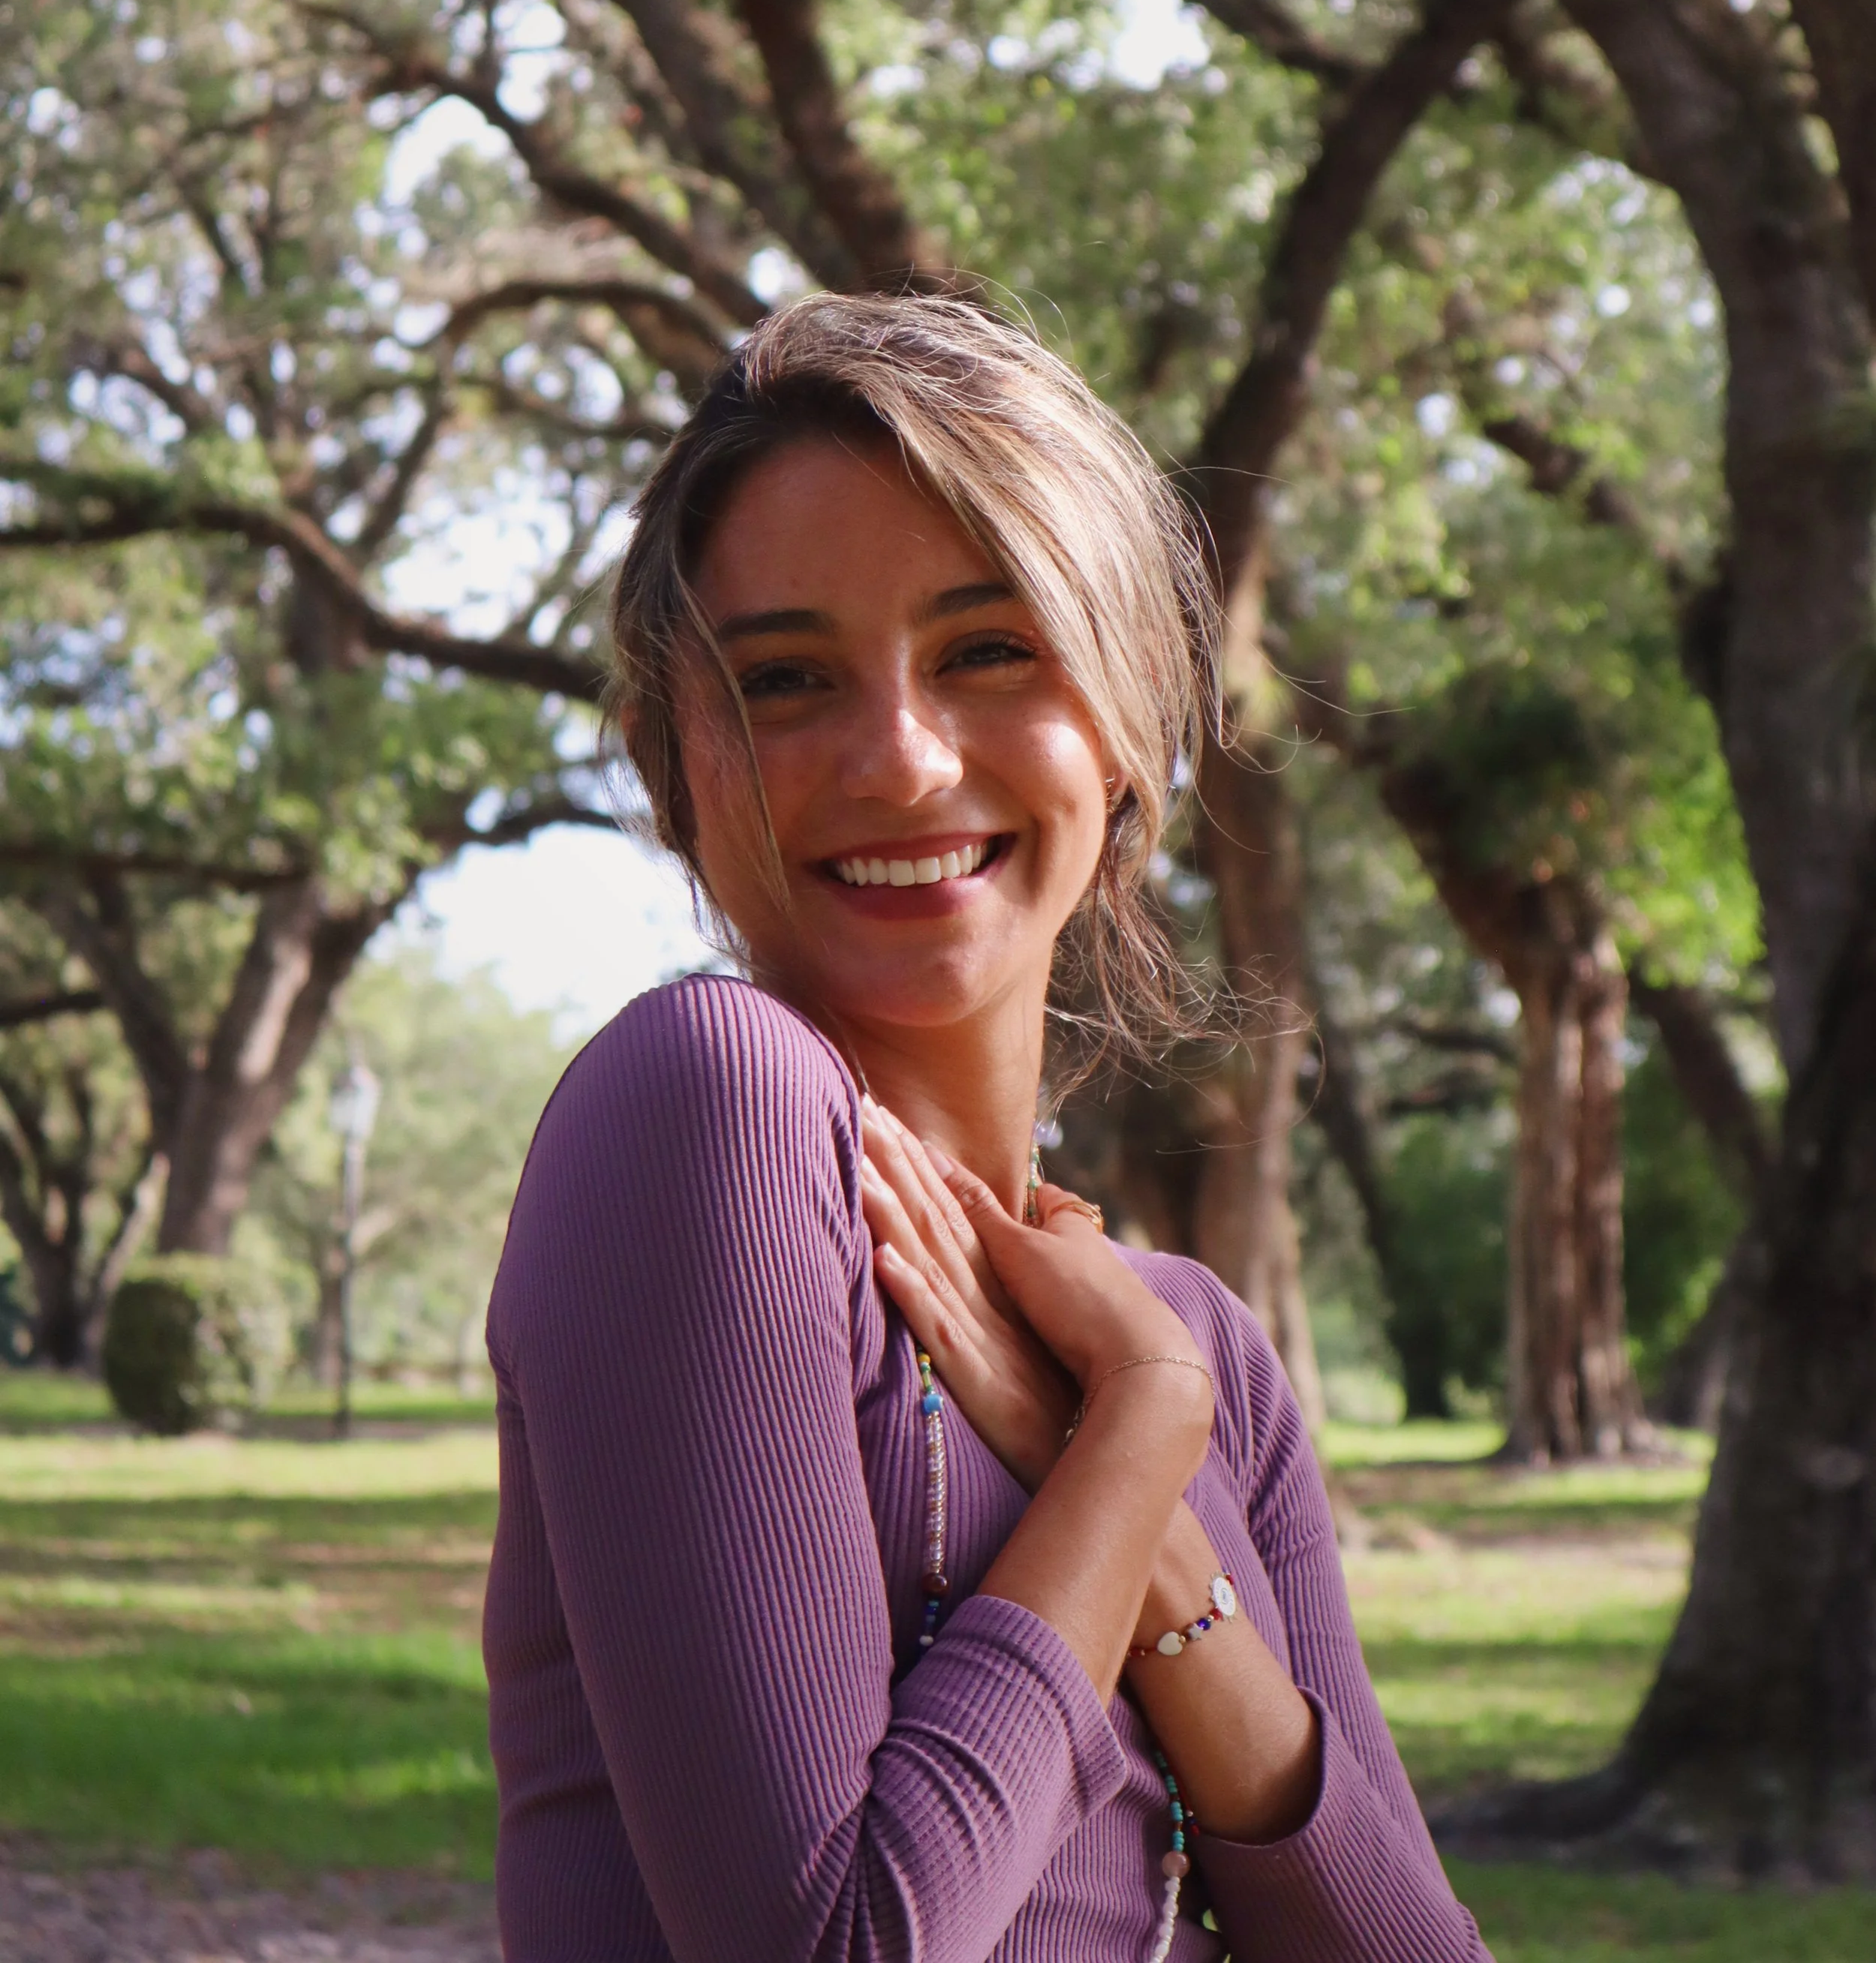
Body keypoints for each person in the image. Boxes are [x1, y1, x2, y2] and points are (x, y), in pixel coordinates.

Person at [483, 293, 1490, 1961]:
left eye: (987, 648)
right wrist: (1121, 1447)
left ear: (1127, 732)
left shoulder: (1196, 1351)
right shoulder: (706, 1110)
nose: (896, 758)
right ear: (674, 770)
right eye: (786, 679)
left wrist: (1150, 1514)